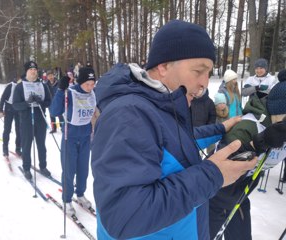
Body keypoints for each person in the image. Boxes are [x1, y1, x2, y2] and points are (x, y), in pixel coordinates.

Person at [91, 20, 257, 240]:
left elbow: (173, 144)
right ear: (163, 66)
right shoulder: (128, 114)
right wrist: (213, 175)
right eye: (199, 71)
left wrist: (222, 128)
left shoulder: (158, 105)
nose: (204, 83)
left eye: (208, 74)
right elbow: (125, 215)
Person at [209, 68, 286, 240]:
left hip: (241, 196)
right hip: (217, 200)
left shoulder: (277, 124)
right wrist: (260, 142)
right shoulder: (249, 127)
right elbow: (217, 168)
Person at [50, 67, 97, 214]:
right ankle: (67, 199)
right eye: (87, 84)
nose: (90, 87)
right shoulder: (70, 93)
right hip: (69, 137)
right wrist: (59, 90)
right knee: (69, 170)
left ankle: (81, 194)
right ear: (80, 82)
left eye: (92, 83)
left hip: (85, 137)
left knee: (83, 170)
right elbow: (54, 111)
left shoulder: (93, 94)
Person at [12, 61, 52, 180]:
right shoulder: (20, 86)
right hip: (26, 120)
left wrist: (41, 102)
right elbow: (15, 105)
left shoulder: (43, 85)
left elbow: (49, 102)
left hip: (40, 118)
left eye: (35, 69)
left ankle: (43, 166)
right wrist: (27, 103)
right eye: (31, 70)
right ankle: (26, 168)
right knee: (27, 144)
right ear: (26, 72)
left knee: (41, 145)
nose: (33, 71)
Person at [0, 77, 21, 157]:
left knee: (19, 130)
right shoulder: (10, 86)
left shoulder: (22, 86)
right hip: (9, 108)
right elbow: (3, 98)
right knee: (7, 129)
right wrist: (1, 110)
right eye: (19, 79)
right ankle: (5, 149)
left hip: (18, 109)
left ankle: (18, 149)